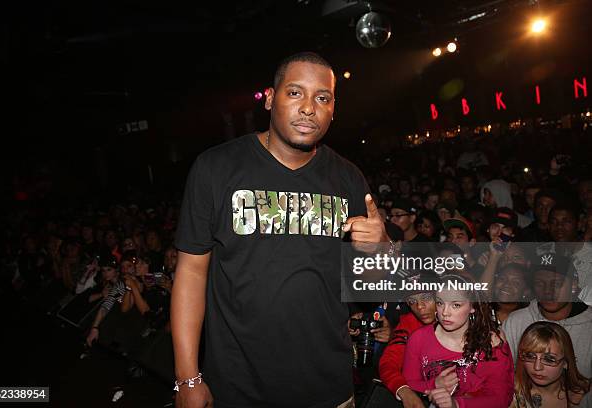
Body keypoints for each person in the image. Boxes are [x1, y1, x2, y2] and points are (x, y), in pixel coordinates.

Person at [171, 52, 388, 408]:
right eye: (295, 93)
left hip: (327, 389)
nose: (308, 108)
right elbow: (192, 271)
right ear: (270, 99)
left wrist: (380, 248)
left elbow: (375, 282)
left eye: (322, 98)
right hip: (238, 387)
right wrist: (187, 378)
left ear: (333, 109)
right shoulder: (216, 168)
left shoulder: (348, 177)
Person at [403, 274, 514, 408]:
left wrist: (457, 404)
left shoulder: (491, 342)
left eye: (455, 305)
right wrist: (433, 385)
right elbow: (408, 384)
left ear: (472, 306)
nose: (445, 312)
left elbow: (501, 398)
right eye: (440, 303)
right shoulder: (419, 338)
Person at [503, 253, 592, 379]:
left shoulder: (589, 326)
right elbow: (503, 375)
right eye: (539, 283)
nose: (547, 291)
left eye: (556, 284)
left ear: (573, 284)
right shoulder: (516, 321)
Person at [378, 272, 438, 408]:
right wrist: (403, 390)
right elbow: (389, 361)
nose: (420, 306)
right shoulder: (408, 323)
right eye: (412, 301)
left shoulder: (460, 318)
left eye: (427, 297)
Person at [512, 321, 590, 408]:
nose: (537, 367)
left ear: (566, 362)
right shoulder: (510, 394)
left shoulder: (586, 395)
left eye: (549, 359)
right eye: (530, 356)